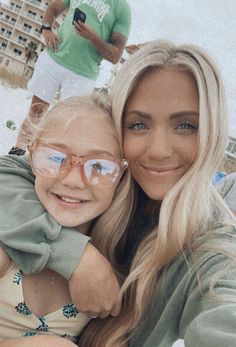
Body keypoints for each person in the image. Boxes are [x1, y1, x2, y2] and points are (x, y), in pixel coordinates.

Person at [1, 40, 236, 346]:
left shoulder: (211, 246)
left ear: (212, 131)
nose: (159, 151)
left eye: (185, 126)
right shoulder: (88, 182)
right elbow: (9, 172)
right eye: (138, 124)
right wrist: (76, 255)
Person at [0, 93, 132, 344]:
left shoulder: (114, 275)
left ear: (122, 174)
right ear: (31, 157)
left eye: (99, 167)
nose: (72, 179)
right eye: (54, 158)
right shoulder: (7, 245)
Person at [9, 0, 131, 154]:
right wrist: (46, 29)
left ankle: (49, 160)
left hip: (83, 74)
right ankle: (18, 150)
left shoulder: (122, 8)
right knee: (36, 109)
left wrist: (92, 36)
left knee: (68, 123)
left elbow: (115, 55)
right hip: (54, 58)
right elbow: (52, 8)